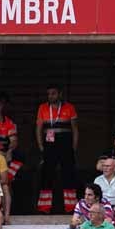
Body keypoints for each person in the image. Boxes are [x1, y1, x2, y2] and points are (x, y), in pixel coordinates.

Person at [35, 85, 79, 214]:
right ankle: (44, 207)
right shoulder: (42, 107)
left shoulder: (69, 107)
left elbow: (75, 129)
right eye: (48, 94)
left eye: (53, 93)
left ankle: (71, 207)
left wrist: (74, 147)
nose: (50, 96)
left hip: (66, 144)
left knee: (69, 174)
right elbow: (38, 128)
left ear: (60, 94)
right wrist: (41, 146)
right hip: (49, 145)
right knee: (46, 174)